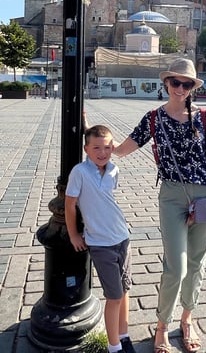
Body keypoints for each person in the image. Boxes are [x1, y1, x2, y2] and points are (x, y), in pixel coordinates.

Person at [114, 58, 206, 353]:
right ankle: (162, 325)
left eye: (187, 84)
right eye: (176, 82)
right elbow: (122, 149)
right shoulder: (154, 119)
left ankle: (187, 319)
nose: (180, 88)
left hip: (205, 197)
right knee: (176, 267)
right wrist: (92, 135)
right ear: (166, 83)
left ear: (193, 87)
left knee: (196, 263)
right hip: (171, 196)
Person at [65, 125, 136, 353]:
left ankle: (123, 336)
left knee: (124, 290)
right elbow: (69, 205)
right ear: (86, 149)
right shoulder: (80, 172)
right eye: (96, 148)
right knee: (114, 296)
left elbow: (108, 199)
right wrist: (74, 234)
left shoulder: (114, 170)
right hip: (101, 244)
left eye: (107, 147)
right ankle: (113, 346)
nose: (102, 152)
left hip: (122, 237)